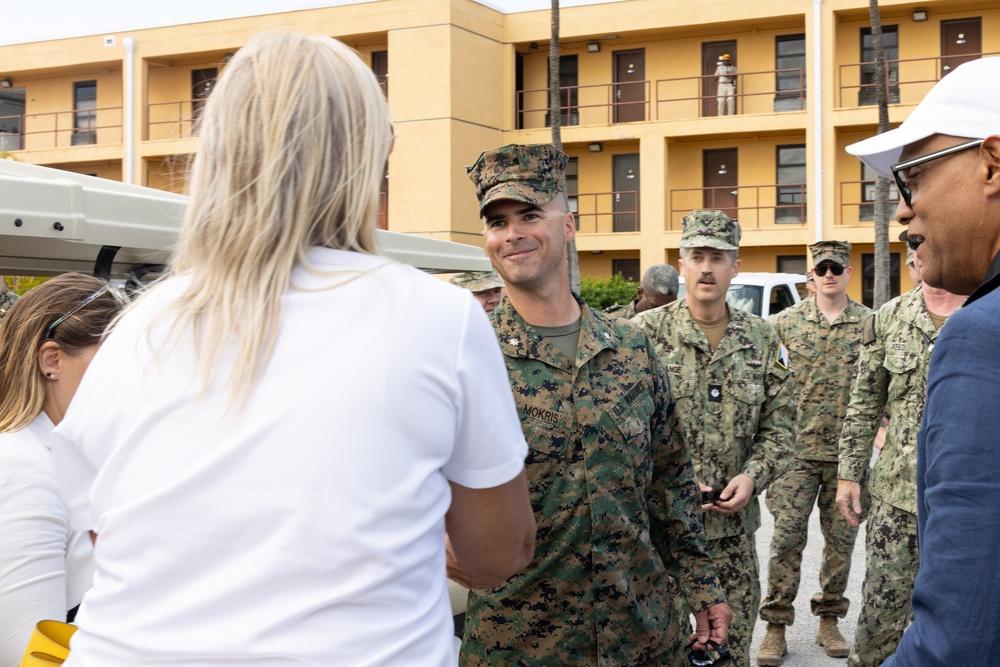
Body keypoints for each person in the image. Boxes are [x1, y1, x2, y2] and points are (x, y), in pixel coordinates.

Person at [49, 33, 536, 667]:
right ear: (363, 158)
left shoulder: (138, 329)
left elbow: (109, 534)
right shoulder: (436, 317)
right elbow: (498, 555)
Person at [460, 144, 732, 666]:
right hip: (522, 647)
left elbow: (670, 479)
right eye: (497, 222)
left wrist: (702, 585)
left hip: (643, 636)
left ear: (568, 225)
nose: (512, 233)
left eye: (530, 214)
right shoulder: (467, 356)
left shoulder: (631, 349)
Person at [845, 55, 1000, 666]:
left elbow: (958, 641)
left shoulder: (980, 336)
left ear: (992, 163)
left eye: (912, 178)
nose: (904, 209)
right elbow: (865, 401)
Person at [634, 209, 795, 667]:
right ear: (681, 264)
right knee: (656, 650)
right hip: (657, 534)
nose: (707, 267)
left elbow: (783, 426)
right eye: (697, 255)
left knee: (727, 652)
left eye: (718, 257)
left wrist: (753, 476)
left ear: (736, 266)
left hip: (730, 537)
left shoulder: (765, 340)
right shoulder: (640, 338)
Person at [835, 246, 964, 667]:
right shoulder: (888, 318)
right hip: (897, 501)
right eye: (915, 243)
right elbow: (864, 403)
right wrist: (850, 475)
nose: (923, 249)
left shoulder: (986, 311)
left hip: (967, 501)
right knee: (879, 621)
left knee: (962, 621)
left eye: (931, 238)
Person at [0, 273, 125, 666]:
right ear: (52, 360)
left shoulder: (53, 451)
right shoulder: (25, 467)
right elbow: (27, 651)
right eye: (115, 362)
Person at [756, 241, 871, 665]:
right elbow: (769, 387)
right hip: (795, 455)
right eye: (820, 267)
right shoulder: (784, 325)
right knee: (785, 541)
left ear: (847, 272)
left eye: (836, 267)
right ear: (811, 273)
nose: (828, 274)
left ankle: (828, 620)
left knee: (841, 544)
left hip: (847, 458)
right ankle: (775, 626)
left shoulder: (869, 324)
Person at [605, 263, 679, 318]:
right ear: (640, 293)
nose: (662, 314)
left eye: (670, 308)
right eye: (655, 307)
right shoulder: (614, 321)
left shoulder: (680, 324)